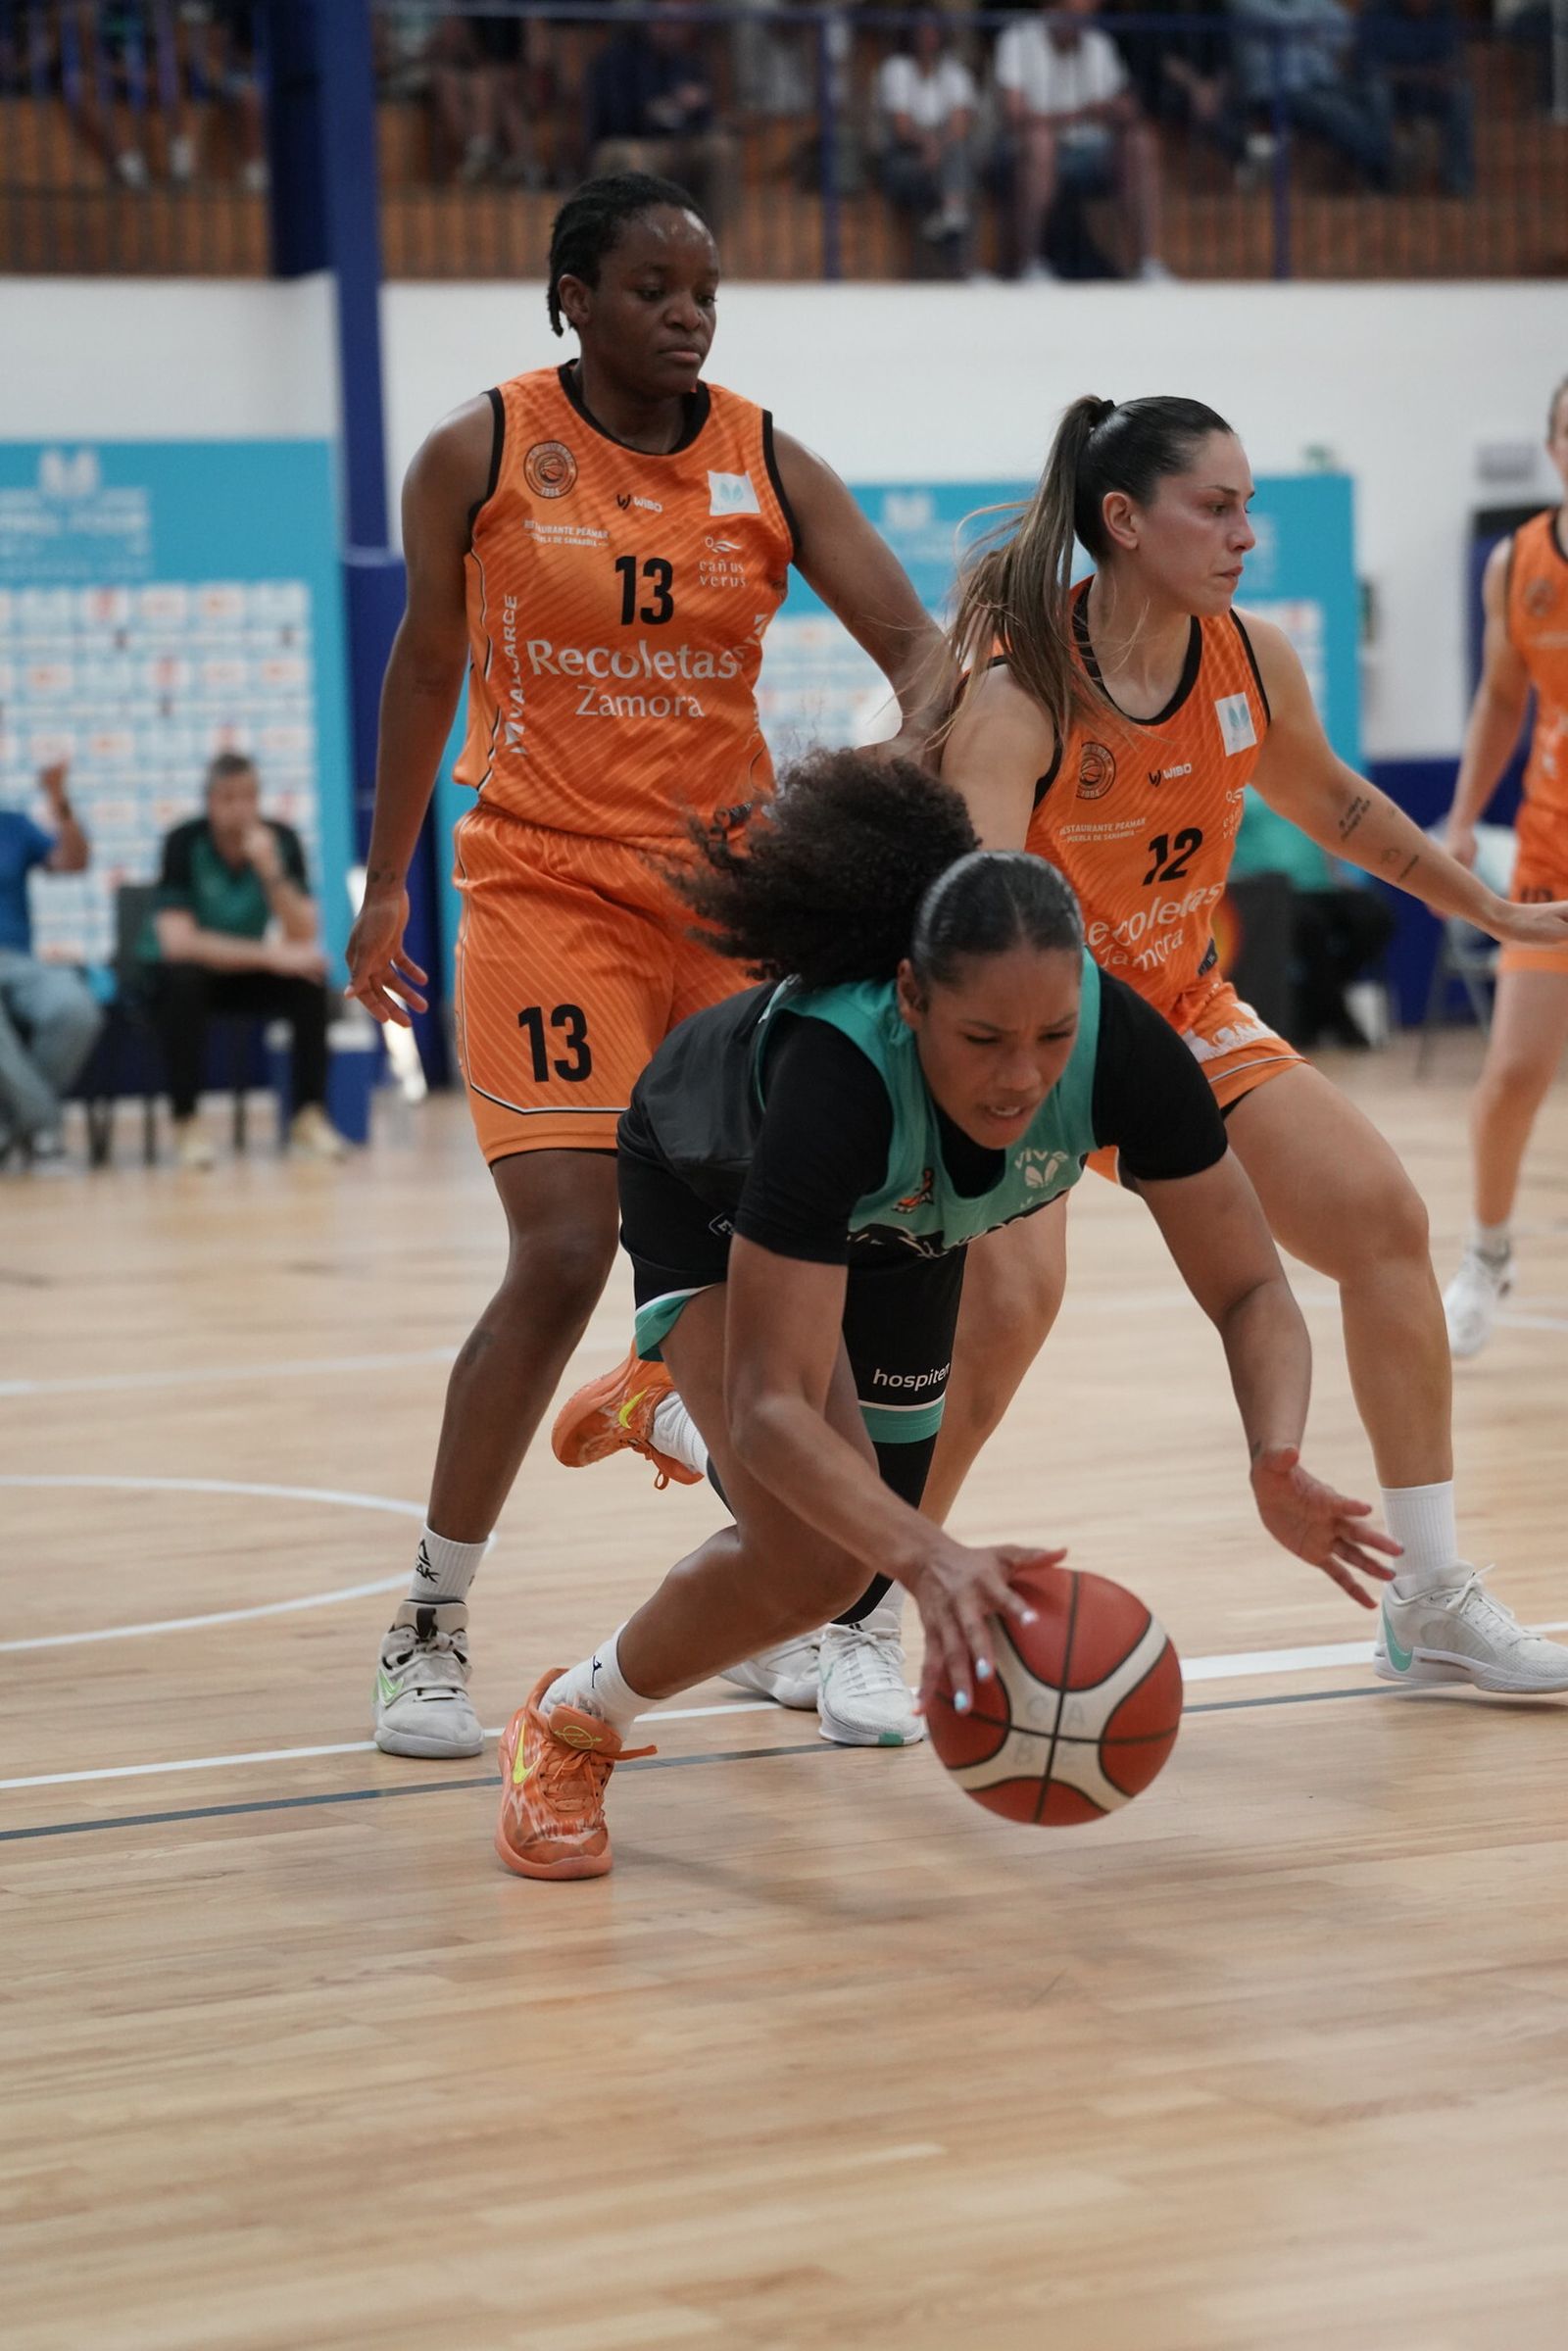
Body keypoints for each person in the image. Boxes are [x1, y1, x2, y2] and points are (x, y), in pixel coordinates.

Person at [493, 752, 1397, 1879]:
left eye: (1052, 1035)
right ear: (914, 997)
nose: (1023, 1076)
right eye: (983, 1041)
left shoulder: (1119, 1045)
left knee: (856, 1548)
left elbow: (1251, 1286)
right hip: (717, 1189)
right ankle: (570, 1722)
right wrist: (929, 1556)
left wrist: (1275, 1456)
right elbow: (775, 1407)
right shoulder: (837, 1080)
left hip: (907, 1230)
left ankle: (672, 1400)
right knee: (822, 1556)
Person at [346, 172, 952, 1763]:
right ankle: (430, 1614)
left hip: (731, 911)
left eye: (704, 290)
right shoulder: (478, 448)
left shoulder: (768, 457)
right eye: (651, 286)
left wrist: (884, 811)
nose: (685, 312)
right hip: (541, 880)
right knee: (564, 1245)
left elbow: (923, 655)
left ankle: (826, 1603)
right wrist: (382, 888)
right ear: (572, 296)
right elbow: (425, 665)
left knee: (801, 1258)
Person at [918, 392, 1568, 1696]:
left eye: (1249, 506)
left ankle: (1428, 1594)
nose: (1243, 534)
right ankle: (841, 1596)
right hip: (1035, 1042)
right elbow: (967, 907)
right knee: (1004, 1312)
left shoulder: (1248, 656)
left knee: (1383, 1220)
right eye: (1215, 507)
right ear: (1123, 518)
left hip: (1186, 1011)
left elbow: (1337, 801)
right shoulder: (1023, 695)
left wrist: (1486, 899)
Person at [1441, 376, 1568, 1356]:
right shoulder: (1518, 561)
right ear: (1552, 446)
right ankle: (1484, 1257)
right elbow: (1499, 700)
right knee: (1515, 1067)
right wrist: (1459, 813)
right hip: (1548, 851)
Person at [147, 751, 345, 1169]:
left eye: (249, 797)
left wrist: (271, 870)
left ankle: (309, 1117)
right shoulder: (183, 842)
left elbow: (304, 931)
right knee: (182, 982)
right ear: (209, 802)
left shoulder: (280, 840)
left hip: (244, 974)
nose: (240, 808)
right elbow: (177, 943)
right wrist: (271, 955)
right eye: (228, 798)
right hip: (193, 976)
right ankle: (187, 1122)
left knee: (309, 978)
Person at [994, 0, 1170, 283]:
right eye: (1071, 13)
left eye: (1085, 16)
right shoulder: (1017, 39)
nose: (1078, 23)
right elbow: (1015, 114)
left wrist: (1123, 110)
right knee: (1040, 142)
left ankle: (1148, 264)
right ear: (1051, 9)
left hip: (1090, 151)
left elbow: (1117, 104)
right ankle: (1032, 266)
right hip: (1024, 149)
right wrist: (1083, 113)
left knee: (1140, 142)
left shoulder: (1099, 44)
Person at [1230, 789, 1397, 1048]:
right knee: (1311, 929)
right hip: (1273, 893)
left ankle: (1318, 1006)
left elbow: (1321, 831)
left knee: (1374, 917)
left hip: (1322, 885)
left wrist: (1339, 875)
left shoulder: (1295, 780)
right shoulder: (1236, 788)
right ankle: (1338, 1017)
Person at [0, 762, 101, 1165]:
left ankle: (10, 1123)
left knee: (77, 1009)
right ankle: (44, 1128)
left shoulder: (14, 825)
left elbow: (74, 862)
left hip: (19, 961)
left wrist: (60, 803)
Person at [587, 4, 736, 228]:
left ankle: (705, 241)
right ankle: (644, 246)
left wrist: (696, 107)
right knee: (633, 159)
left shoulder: (687, 62)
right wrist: (656, 111)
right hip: (630, 142)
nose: (672, 30)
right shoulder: (617, 59)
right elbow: (614, 119)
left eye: (679, 24)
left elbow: (706, 120)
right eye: (665, 21)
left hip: (678, 143)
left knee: (721, 148)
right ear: (648, 21)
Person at [1229, 0, 1394, 190]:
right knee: (1333, 110)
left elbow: (1344, 28)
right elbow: (1280, 24)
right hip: (1275, 91)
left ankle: (1379, 157)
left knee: (1376, 92)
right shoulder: (1244, 3)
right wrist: (1311, 28)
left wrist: (1307, 30)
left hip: (1322, 82)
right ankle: (1382, 164)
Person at [875, 14, 980, 255]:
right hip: (905, 158)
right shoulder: (896, 69)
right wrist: (929, 144)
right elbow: (902, 128)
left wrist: (937, 147)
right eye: (922, 32)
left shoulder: (955, 72)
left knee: (958, 158)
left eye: (933, 32)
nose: (928, 38)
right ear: (910, 36)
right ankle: (949, 220)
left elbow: (960, 124)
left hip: (944, 155)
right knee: (953, 177)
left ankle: (949, 218)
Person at [1357, 0, 1474, 197]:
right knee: (1377, 93)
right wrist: (1414, 74)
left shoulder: (1444, 13)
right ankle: (1380, 177)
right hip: (1393, 94)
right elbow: (1368, 67)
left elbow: (1453, 62)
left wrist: (1443, 75)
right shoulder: (1376, 13)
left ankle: (1458, 180)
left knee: (1461, 93)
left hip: (1429, 93)